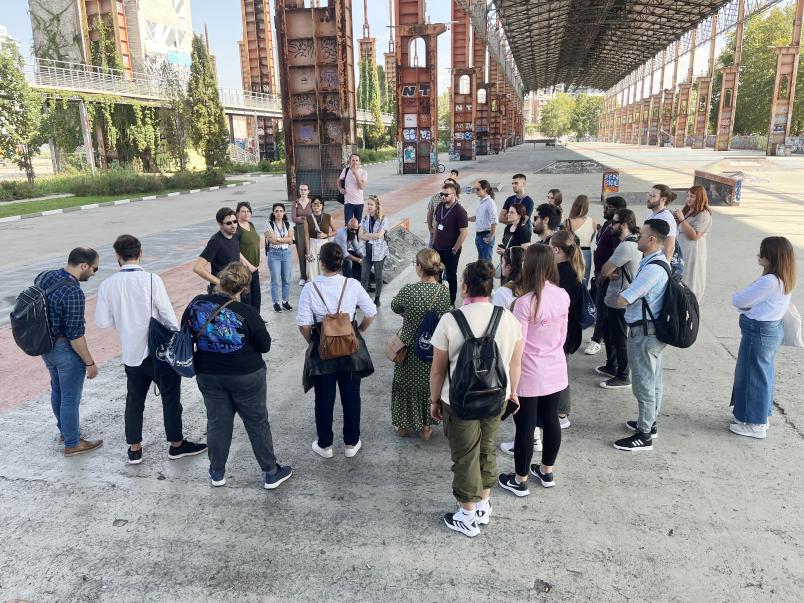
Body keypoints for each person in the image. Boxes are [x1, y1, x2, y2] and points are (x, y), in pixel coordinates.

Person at [429, 261, 523, 537]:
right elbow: (515, 363)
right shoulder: (507, 318)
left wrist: (434, 400)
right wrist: (513, 392)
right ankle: (483, 504)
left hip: (458, 401)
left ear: (465, 286)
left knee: (464, 455)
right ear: (490, 287)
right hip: (497, 397)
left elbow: (438, 368)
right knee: (487, 448)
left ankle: (467, 515)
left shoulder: (451, 320)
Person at [95, 234, 207, 464]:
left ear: (117, 256)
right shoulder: (152, 280)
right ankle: (176, 444)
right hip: (159, 352)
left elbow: (103, 323)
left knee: (134, 399)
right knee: (170, 398)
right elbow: (166, 314)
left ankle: (134, 449)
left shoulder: (107, 285)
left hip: (131, 353)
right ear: (141, 253)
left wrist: (125, 321)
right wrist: (176, 340)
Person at [182, 262, 292, 489]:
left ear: (220, 280)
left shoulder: (196, 303)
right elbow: (265, 345)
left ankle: (217, 472)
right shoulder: (247, 312)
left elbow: (185, 330)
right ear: (243, 289)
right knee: (256, 422)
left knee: (217, 422)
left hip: (208, 373)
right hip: (246, 374)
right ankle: (271, 472)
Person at [498, 245, 568, 497]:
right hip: (555, 367)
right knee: (550, 420)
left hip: (528, 371)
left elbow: (519, 345)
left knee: (525, 427)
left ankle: (520, 479)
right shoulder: (562, 295)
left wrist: (511, 384)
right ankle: (546, 471)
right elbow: (562, 335)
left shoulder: (524, 303)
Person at [296, 243, 377, 459]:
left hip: (323, 348)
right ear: (341, 263)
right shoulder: (351, 284)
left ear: (320, 262)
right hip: (349, 347)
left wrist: (314, 341)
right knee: (351, 396)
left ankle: (325, 445)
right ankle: (351, 443)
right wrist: (358, 330)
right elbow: (371, 311)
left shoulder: (310, 288)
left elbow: (303, 324)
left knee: (323, 398)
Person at [37, 247, 102, 456]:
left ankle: (66, 431)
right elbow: (75, 335)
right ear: (83, 265)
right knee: (70, 398)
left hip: (46, 346)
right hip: (65, 350)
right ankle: (73, 443)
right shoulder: (74, 292)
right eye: (94, 269)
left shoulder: (45, 276)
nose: (94, 273)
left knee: (57, 391)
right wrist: (89, 363)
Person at [612, 219, 671, 451]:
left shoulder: (653, 269)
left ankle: (644, 435)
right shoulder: (656, 261)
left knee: (644, 383)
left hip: (645, 333)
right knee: (653, 379)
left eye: (642, 235)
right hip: (652, 330)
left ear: (652, 240)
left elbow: (622, 299)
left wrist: (626, 290)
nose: (638, 238)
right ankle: (650, 423)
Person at [729, 237, 796, 439]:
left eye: (762, 253)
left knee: (753, 376)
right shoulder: (784, 278)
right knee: (760, 375)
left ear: (771, 257)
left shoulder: (768, 281)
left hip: (758, 331)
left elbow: (739, 300)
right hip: (769, 330)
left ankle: (755, 423)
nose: (758, 255)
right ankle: (756, 418)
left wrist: (740, 299)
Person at [390, 249, 451, 440]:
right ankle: (426, 427)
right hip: (434, 348)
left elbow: (394, 306)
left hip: (408, 349)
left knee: (404, 385)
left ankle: (402, 425)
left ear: (419, 267)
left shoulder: (409, 290)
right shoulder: (444, 292)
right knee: (429, 386)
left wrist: (409, 314)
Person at [599, 209, 641, 389]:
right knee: (610, 334)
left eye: (614, 222)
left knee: (619, 338)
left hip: (620, 299)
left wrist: (604, 276)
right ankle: (612, 365)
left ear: (624, 224)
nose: (610, 225)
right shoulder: (631, 243)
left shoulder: (626, 246)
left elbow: (605, 270)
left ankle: (623, 375)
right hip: (616, 297)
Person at [549, 231, 585, 429]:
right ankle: (561, 411)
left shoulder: (559, 274)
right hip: (571, 330)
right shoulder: (573, 269)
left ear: (556, 249)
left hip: (562, 331)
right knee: (561, 369)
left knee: (559, 371)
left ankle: (562, 413)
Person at [586, 195, 628, 356]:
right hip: (600, 274)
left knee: (603, 309)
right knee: (599, 306)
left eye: (608, 207)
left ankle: (597, 339)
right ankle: (600, 338)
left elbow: (618, 255)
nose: (604, 209)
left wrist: (606, 274)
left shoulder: (617, 231)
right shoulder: (606, 225)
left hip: (607, 276)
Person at [193, 207, 257, 295]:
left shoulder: (235, 234)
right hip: (221, 292)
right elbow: (198, 268)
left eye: (235, 221)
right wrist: (220, 283)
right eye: (228, 223)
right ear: (220, 224)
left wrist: (248, 264)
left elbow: (235, 250)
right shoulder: (215, 242)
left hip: (235, 288)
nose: (233, 225)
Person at [432, 182, 469, 305]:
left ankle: (451, 301)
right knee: (436, 274)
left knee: (451, 275)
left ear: (454, 194)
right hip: (438, 248)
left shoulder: (460, 211)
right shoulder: (440, 207)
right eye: (442, 194)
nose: (443, 197)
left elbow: (464, 232)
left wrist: (455, 248)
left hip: (451, 250)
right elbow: (437, 224)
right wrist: (434, 241)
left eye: (446, 195)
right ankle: (437, 299)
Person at [674, 185, 712, 301]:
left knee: (691, 277)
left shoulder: (704, 214)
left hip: (693, 251)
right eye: (688, 196)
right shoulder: (688, 210)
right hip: (682, 249)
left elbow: (694, 235)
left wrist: (682, 220)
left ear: (700, 198)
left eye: (692, 196)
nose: (688, 199)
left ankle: (690, 302)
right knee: (680, 274)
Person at [358, 195, 390, 306]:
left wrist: (367, 234)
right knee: (364, 276)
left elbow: (379, 235)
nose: (369, 206)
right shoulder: (365, 218)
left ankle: (377, 298)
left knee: (378, 275)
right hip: (367, 250)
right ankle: (363, 300)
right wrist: (371, 235)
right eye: (368, 204)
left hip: (379, 252)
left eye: (371, 204)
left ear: (376, 206)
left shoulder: (383, 219)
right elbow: (360, 235)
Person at [264, 203, 295, 313]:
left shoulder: (289, 224)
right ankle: (275, 302)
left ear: (284, 212)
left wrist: (277, 238)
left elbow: (291, 239)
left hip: (286, 253)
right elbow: (272, 241)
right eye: (276, 211)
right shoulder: (269, 224)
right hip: (274, 254)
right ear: (273, 213)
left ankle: (285, 301)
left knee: (286, 279)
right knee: (275, 280)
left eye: (281, 211)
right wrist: (284, 239)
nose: (279, 213)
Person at [564, 195, 597, 288]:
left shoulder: (568, 222)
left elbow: (564, 240)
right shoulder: (593, 222)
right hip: (587, 253)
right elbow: (590, 239)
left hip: (573, 252)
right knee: (584, 281)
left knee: (571, 280)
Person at [235, 201, 262, 312]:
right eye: (243, 212)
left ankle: (256, 318)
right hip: (244, 268)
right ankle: (248, 320)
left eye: (248, 211)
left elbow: (256, 241)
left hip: (254, 267)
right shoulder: (237, 228)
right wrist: (248, 265)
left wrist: (258, 259)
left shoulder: (251, 225)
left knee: (256, 294)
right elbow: (236, 250)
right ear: (237, 213)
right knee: (247, 296)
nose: (246, 214)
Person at [646, 184, 678, 263]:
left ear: (663, 199)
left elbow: (670, 248)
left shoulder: (666, 218)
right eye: (649, 195)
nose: (648, 198)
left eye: (653, 196)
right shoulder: (651, 215)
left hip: (658, 264)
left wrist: (664, 270)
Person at [305, 197, 336, 281]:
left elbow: (335, 231)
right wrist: (308, 252)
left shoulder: (328, 217)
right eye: (314, 204)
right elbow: (307, 236)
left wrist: (326, 234)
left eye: (318, 204)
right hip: (312, 244)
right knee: (313, 269)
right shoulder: (308, 218)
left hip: (325, 244)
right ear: (311, 206)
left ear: (322, 205)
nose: (316, 206)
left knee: (324, 267)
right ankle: (314, 288)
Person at [469, 179, 498, 261]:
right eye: (475, 189)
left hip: (486, 235)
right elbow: (476, 217)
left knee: (486, 263)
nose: (475, 191)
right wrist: (466, 218)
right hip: (478, 235)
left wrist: (491, 236)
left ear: (485, 189)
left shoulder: (490, 203)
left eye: (478, 189)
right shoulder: (481, 202)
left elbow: (494, 221)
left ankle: (489, 274)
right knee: (481, 262)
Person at [291, 183, 313, 286]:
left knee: (312, 251)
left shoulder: (312, 202)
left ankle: (312, 275)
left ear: (308, 191)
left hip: (311, 228)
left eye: (305, 190)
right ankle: (303, 276)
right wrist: (304, 219)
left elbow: (315, 216)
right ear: (299, 191)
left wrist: (301, 218)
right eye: (301, 190)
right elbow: (293, 218)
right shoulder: (295, 203)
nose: (303, 191)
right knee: (301, 252)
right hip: (299, 230)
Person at [426, 177, 459, 246]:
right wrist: (430, 228)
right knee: (432, 252)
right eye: (446, 184)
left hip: (448, 234)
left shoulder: (457, 203)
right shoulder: (435, 197)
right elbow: (430, 213)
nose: (447, 186)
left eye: (449, 185)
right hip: (435, 231)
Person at [338, 153, 368, 223]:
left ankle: (357, 234)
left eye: (356, 160)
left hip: (359, 203)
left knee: (358, 224)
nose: (355, 162)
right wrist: (340, 189)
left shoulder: (364, 172)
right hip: (348, 203)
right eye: (353, 160)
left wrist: (356, 174)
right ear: (350, 161)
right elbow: (339, 181)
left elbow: (362, 187)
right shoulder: (345, 170)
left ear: (359, 162)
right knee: (348, 225)